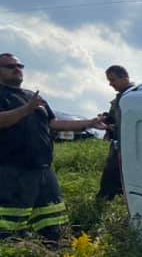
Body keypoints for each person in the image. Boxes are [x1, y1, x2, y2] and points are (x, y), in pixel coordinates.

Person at [0, 53, 107, 241]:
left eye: (20, 65)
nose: (17, 69)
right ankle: (11, 253)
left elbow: (54, 124)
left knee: (51, 214)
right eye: (10, 66)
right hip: (12, 169)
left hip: (43, 168)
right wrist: (26, 109)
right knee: (10, 218)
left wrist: (89, 123)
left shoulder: (30, 96)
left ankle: (54, 246)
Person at [97, 64, 134, 200]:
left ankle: (107, 200)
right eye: (109, 80)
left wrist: (116, 127)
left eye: (112, 80)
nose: (110, 84)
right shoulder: (119, 99)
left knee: (116, 175)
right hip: (118, 145)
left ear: (124, 78)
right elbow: (114, 118)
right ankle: (107, 200)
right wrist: (106, 119)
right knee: (111, 175)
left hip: (129, 146)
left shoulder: (134, 97)